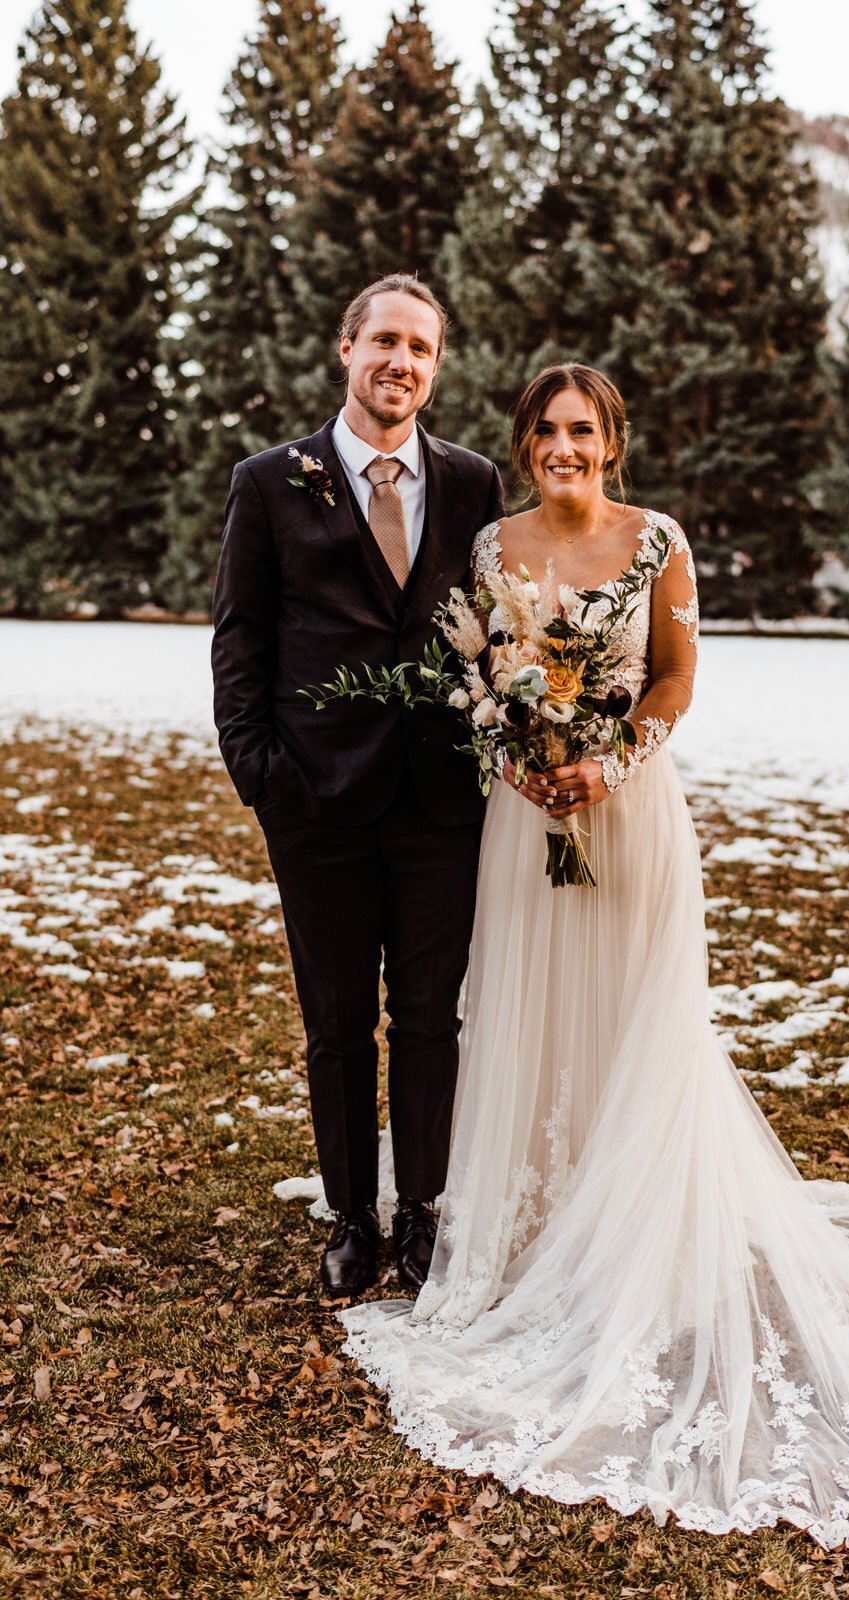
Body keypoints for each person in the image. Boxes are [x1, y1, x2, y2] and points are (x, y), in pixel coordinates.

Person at [337, 364, 849, 1548]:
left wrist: (607, 761)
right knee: (524, 1012)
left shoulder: (655, 539)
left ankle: (637, 1227)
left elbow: (676, 677)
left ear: (611, 442)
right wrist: (519, 751)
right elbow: (478, 674)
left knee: (640, 1018)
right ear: (523, 443)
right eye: (544, 429)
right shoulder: (491, 546)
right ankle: (536, 1214)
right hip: (527, 819)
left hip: (628, 814)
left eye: (582, 430)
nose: (561, 446)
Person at [211, 275, 504, 1298]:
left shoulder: (470, 484)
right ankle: (350, 1215)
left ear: (434, 365)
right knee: (336, 1021)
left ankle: (420, 1211)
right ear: (346, 349)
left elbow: (492, 630)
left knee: (430, 1018)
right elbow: (240, 637)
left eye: (420, 349)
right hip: (315, 804)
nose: (402, 364)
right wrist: (260, 771)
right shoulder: (267, 481)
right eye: (385, 341)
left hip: (438, 802)